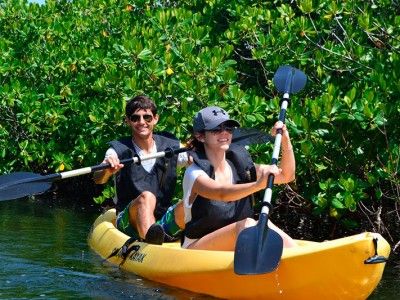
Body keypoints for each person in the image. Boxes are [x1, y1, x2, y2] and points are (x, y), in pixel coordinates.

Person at [181, 106, 297, 250]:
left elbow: (287, 175)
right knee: (247, 224)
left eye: (228, 128)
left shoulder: (241, 166)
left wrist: (285, 140)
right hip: (196, 248)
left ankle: (300, 254)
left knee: (264, 223)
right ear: (200, 136)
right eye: (216, 129)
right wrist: (258, 185)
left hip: (234, 243)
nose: (224, 133)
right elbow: (221, 193)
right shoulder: (194, 173)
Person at [94, 95, 186, 244]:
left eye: (147, 117)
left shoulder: (172, 148)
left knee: (190, 200)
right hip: (128, 221)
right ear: (128, 121)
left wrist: (199, 153)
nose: (141, 122)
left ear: (155, 119)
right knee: (147, 197)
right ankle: (151, 245)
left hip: (162, 218)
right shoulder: (118, 151)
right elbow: (98, 179)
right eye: (135, 118)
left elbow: (199, 164)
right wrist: (107, 170)